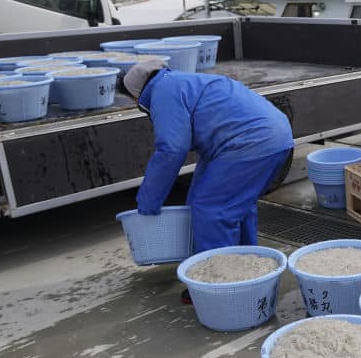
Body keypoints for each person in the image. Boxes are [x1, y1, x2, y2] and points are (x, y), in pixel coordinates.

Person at [123, 61, 295, 253]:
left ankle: (219, 277)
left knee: (210, 210)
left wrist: (148, 204)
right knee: (235, 204)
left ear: (136, 92)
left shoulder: (163, 92)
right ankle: (246, 263)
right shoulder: (184, 80)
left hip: (251, 142)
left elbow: (171, 149)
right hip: (275, 135)